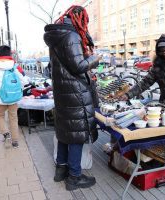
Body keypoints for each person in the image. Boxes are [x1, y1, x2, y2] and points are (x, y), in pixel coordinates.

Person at [44, 5, 100, 191]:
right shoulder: (72, 36)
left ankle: (61, 170)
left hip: (63, 93)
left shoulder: (57, 38)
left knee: (64, 132)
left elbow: (66, 64)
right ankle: (74, 177)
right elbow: (77, 65)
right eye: (85, 20)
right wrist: (94, 58)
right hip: (75, 93)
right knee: (75, 135)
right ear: (79, 19)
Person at [0, 45, 28, 148]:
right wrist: (17, 90)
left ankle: (6, 134)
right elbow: (25, 80)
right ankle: (15, 141)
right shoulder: (15, 65)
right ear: (9, 54)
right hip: (13, 98)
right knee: (13, 118)